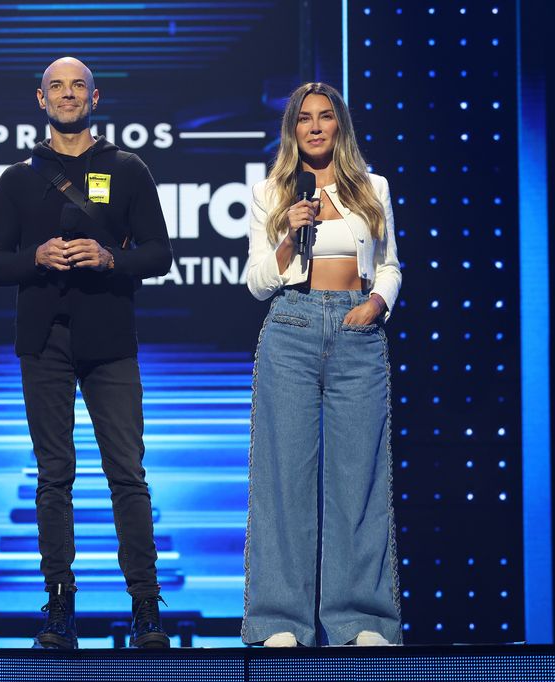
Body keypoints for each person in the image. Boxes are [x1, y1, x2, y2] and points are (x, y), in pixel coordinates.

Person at [0, 57, 174, 649]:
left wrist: (110, 258)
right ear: (41, 99)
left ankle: (145, 606)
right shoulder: (17, 179)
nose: (68, 95)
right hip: (44, 343)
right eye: (57, 87)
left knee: (127, 473)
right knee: (53, 476)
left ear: (96, 96)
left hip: (110, 342)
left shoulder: (128, 169)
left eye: (78, 87)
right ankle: (59, 602)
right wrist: (35, 258)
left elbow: (160, 253)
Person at [242, 82, 403, 647]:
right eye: (304, 119)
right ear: (292, 129)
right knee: (283, 481)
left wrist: (378, 303)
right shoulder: (271, 193)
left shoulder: (373, 187)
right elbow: (258, 282)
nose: (314, 127)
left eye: (325, 117)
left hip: (357, 332)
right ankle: (279, 622)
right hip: (292, 326)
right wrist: (288, 234)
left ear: (340, 125)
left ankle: (361, 620)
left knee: (357, 480)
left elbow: (389, 266)